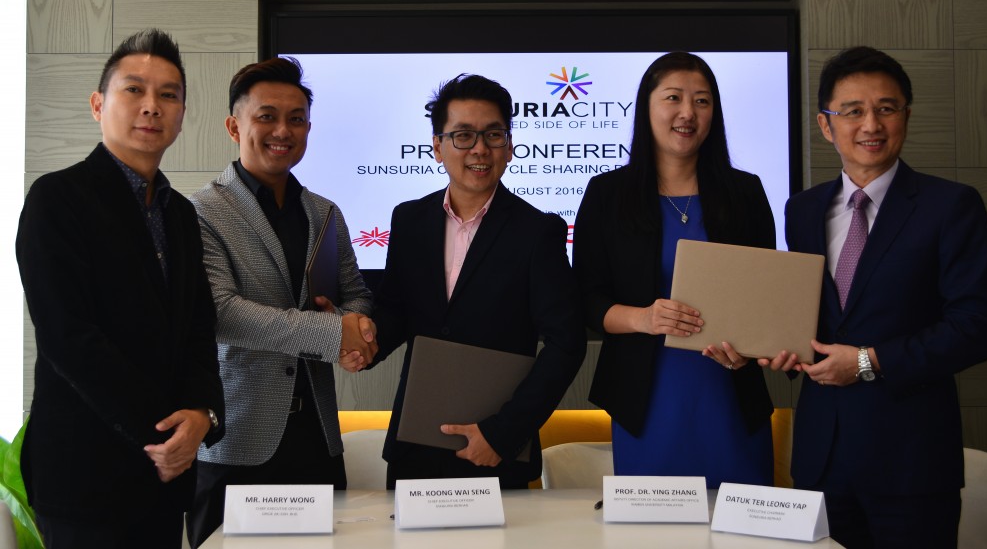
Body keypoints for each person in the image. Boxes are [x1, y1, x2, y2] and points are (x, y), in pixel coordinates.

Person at [763, 46, 987, 549]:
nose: (870, 123)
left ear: (906, 118)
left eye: (886, 108)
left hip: (911, 465)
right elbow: (811, 321)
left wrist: (869, 362)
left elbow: (977, 326)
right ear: (826, 126)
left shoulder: (951, 206)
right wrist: (786, 352)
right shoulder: (803, 211)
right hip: (820, 459)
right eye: (852, 111)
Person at [15, 29, 225, 549]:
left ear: (181, 113)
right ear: (98, 104)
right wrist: (164, 437)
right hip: (86, 474)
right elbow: (69, 337)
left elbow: (200, 326)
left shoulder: (180, 215)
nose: (152, 107)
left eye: (169, 95)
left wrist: (202, 414)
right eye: (134, 90)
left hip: (164, 480)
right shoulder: (57, 198)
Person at [186, 57, 376, 548]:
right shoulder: (201, 211)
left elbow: (355, 294)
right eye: (266, 116)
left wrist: (356, 328)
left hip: (317, 437)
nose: (282, 130)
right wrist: (334, 335)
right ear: (235, 125)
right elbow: (223, 313)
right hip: (238, 439)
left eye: (296, 119)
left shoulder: (324, 212)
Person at [365, 73, 587, 489]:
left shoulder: (538, 231)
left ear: (510, 146)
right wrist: (365, 341)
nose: (480, 149)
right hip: (417, 442)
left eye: (494, 135)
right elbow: (395, 309)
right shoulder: (409, 220)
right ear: (437, 146)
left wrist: (504, 433)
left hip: (496, 451)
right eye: (463, 135)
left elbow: (566, 343)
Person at [572, 52, 775, 486]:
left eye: (702, 101)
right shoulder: (608, 194)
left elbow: (767, 298)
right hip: (647, 400)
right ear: (647, 106)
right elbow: (586, 300)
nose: (688, 112)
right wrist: (643, 318)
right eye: (673, 98)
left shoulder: (746, 193)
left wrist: (753, 347)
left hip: (729, 390)